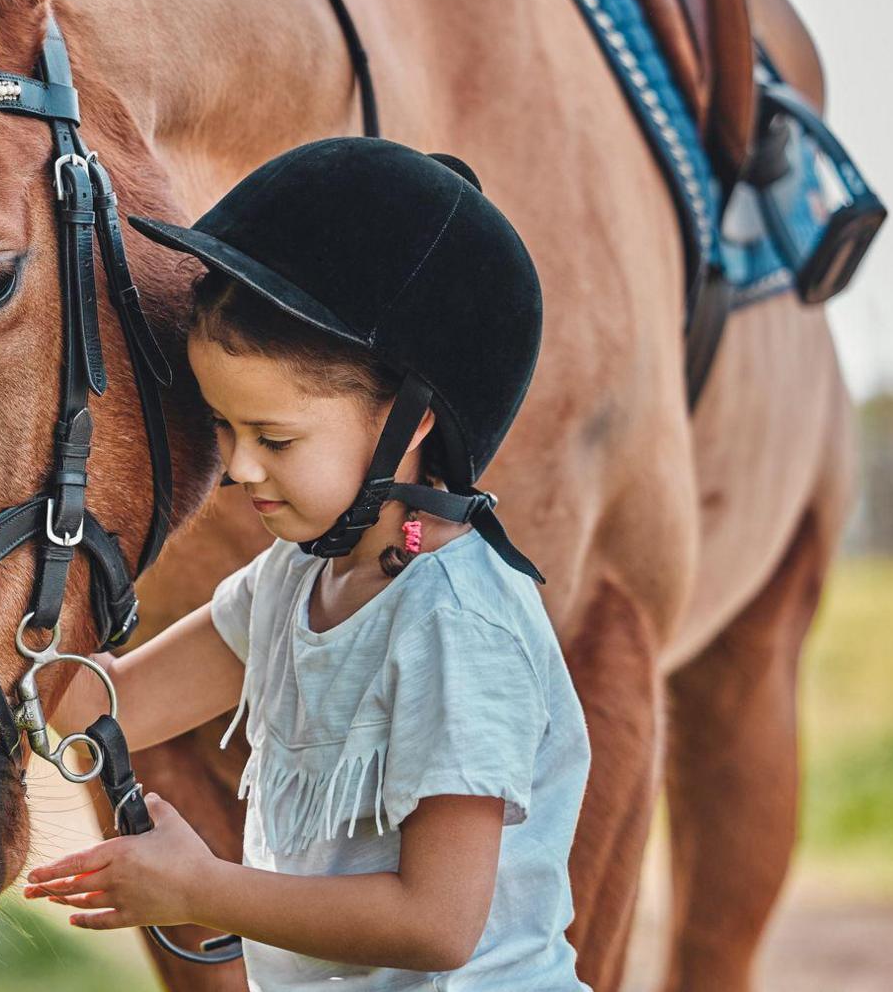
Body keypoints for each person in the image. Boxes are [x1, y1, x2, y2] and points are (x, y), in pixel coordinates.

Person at [29, 138, 591, 989]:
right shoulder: (294, 581)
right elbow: (107, 706)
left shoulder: (457, 627)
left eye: (275, 437)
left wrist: (200, 888)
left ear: (413, 422)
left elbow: (438, 923)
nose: (239, 467)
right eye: (224, 428)